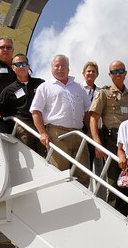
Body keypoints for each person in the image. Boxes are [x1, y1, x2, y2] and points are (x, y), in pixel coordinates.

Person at [30, 54, 92, 183]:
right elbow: (36, 111)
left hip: (79, 134)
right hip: (57, 134)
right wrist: (42, 133)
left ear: (68, 68)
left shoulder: (79, 87)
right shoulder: (45, 87)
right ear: (52, 68)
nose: (60, 68)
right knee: (59, 173)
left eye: (63, 65)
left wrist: (91, 132)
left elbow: (88, 111)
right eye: (56, 66)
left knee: (83, 174)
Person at [89, 61, 128, 202]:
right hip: (111, 140)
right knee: (114, 180)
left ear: (125, 73)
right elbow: (93, 118)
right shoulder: (104, 93)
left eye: (120, 71)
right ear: (109, 75)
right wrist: (97, 143)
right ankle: (115, 213)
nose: (118, 74)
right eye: (114, 72)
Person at [0, 53, 45, 154]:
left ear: (28, 66)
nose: (21, 66)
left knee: (45, 155)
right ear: (13, 67)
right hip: (24, 127)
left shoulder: (40, 83)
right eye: (17, 64)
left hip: (42, 125)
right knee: (30, 155)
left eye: (24, 63)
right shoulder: (9, 90)